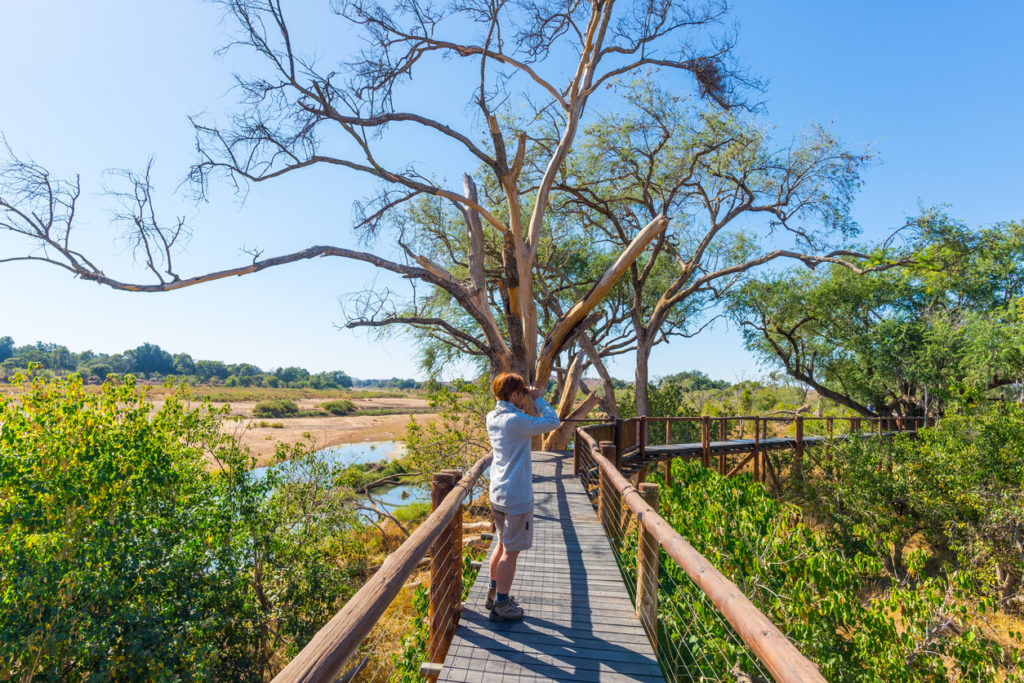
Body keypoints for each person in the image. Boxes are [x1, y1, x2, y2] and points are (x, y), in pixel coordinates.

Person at [485, 372, 560, 621]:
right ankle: (502, 606)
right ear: (514, 394)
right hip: (516, 496)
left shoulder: (492, 417)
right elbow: (553, 422)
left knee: (501, 544)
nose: (524, 399)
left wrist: (525, 397)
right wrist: (538, 399)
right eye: (521, 394)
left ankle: (493, 593)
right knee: (511, 552)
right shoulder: (515, 420)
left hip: (497, 492)